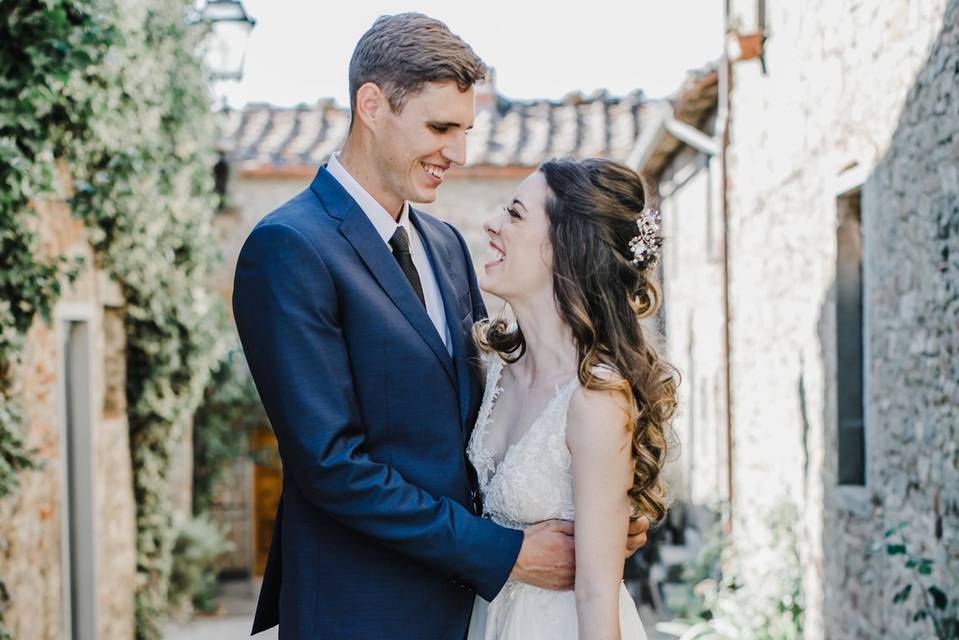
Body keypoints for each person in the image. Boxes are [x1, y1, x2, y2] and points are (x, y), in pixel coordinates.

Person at [232, 13, 650, 640]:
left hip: (475, 616)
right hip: (363, 612)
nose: (456, 152)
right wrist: (504, 553)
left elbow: (484, 425)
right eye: (439, 127)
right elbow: (331, 465)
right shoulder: (290, 248)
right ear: (371, 105)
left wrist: (597, 506)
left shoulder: (446, 246)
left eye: (464, 131)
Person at [466, 158, 678, 639]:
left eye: (515, 214)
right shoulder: (497, 368)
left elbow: (597, 593)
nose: (492, 224)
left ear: (565, 247)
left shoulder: (596, 399)